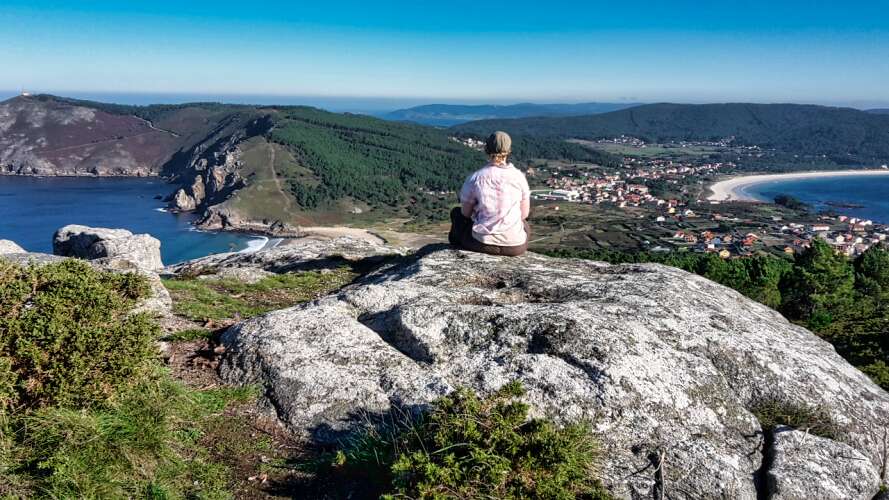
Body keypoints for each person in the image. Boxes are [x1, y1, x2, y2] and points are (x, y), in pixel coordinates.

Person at [449, 131, 531, 256]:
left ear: (486, 150)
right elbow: (524, 215)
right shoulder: (519, 177)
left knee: (456, 214)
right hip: (515, 247)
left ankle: (455, 246)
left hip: (481, 243)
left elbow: (465, 213)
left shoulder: (475, 178)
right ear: (508, 151)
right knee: (524, 224)